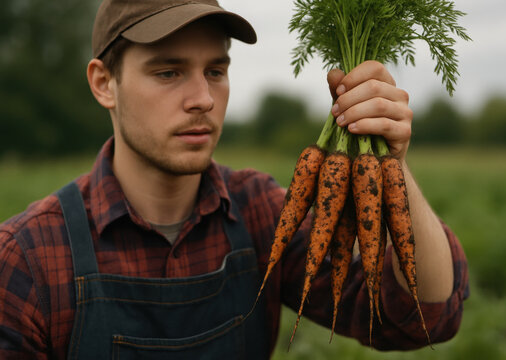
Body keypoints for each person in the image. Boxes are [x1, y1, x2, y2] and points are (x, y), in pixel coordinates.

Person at [0, 0, 469, 359]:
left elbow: (422, 319)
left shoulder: (262, 212)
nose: (203, 97)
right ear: (104, 83)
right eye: (168, 72)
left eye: (216, 70)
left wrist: (393, 163)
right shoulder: (28, 257)